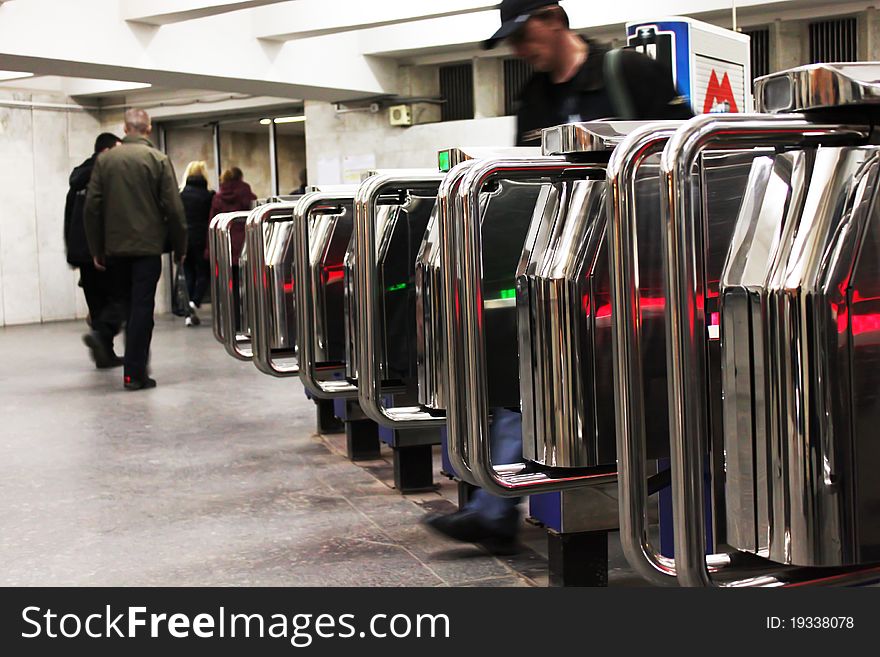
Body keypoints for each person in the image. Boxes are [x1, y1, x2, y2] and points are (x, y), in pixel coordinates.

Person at [422, 0, 692, 552]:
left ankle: (673, 505)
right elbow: (530, 183)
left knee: (661, 379)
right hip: (563, 260)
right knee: (525, 370)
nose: (521, 49)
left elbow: (684, 153)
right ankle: (495, 507)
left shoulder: (631, 71)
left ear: (554, 18)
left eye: (524, 35)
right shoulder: (535, 97)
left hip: (642, 260)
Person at [83, 108, 187, 391]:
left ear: (125, 128)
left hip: (115, 249)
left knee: (125, 306)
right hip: (147, 249)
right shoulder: (158, 159)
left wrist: (96, 248)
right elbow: (174, 210)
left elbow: (92, 208)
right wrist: (180, 247)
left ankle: (124, 359)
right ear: (149, 128)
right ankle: (135, 373)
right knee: (142, 310)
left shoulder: (105, 161)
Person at [64, 132, 122, 367]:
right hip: (103, 251)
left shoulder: (78, 178)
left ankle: (104, 355)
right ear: (106, 151)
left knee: (97, 304)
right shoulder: (105, 176)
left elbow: (68, 217)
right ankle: (101, 337)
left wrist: (72, 253)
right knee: (119, 300)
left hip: (81, 251)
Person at [209, 167, 257, 329]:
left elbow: (212, 223)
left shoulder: (218, 197)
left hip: (226, 246)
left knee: (231, 286)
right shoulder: (246, 192)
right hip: (245, 245)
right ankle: (251, 321)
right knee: (251, 284)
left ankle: (234, 323)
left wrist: (210, 249)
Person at [179, 160, 215, 326]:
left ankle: (188, 314)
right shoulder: (209, 195)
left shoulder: (180, 194)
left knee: (188, 274)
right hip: (202, 238)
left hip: (184, 239)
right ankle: (194, 302)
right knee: (203, 272)